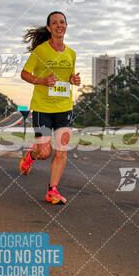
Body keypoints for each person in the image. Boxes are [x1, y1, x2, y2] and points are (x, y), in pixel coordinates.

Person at [19, 11, 80, 204]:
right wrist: (42, 81)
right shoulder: (41, 51)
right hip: (43, 107)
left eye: (62, 22)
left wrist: (74, 79)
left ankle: (52, 191)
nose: (59, 25)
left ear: (66, 26)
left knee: (61, 151)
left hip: (64, 107)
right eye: (54, 23)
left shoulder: (71, 53)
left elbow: (68, 77)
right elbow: (24, 74)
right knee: (44, 152)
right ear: (49, 28)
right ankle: (32, 154)